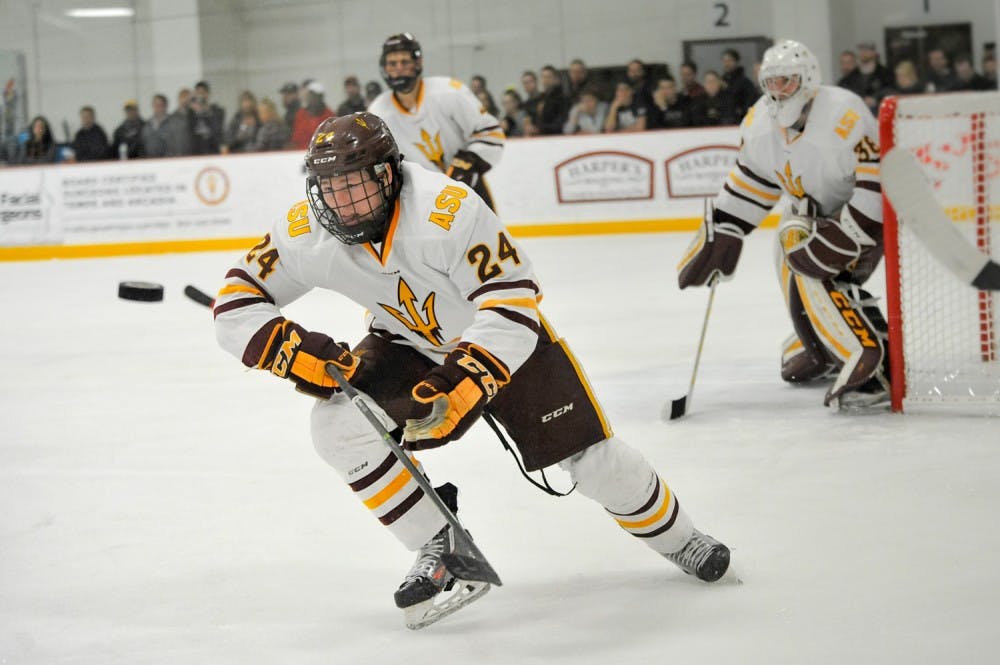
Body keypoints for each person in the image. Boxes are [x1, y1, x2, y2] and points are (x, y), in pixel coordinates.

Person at [212, 111, 731, 629]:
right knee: (337, 425)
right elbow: (236, 301)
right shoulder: (305, 230)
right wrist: (289, 350)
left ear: (387, 174)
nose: (341, 203)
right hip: (404, 342)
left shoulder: (447, 208)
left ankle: (682, 539)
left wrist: (468, 378)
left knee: (594, 460)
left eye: (354, 185)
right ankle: (439, 545)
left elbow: (513, 302)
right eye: (329, 187)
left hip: (499, 340)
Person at [677, 39, 888, 410]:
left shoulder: (845, 113)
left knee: (796, 241)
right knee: (793, 242)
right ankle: (822, 347)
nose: (777, 91)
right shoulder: (759, 122)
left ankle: (869, 360)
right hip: (809, 218)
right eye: (770, 82)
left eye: (786, 81)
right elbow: (749, 184)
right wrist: (724, 232)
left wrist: (849, 234)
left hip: (867, 225)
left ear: (808, 79)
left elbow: (877, 183)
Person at [368, 32, 504, 210]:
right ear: (384, 67)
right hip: (422, 201)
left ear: (418, 63)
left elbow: (491, 134)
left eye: (405, 62)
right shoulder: (379, 111)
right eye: (392, 63)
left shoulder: (449, 92)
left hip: (469, 190)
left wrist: (468, 163)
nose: (398, 68)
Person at [290, 80, 335, 150]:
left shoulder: (330, 116)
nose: (313, 99)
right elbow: (295, 140)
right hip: (299, 153)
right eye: (311, 95)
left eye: (316, 96)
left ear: (321, 97)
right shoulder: (300, 115)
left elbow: (333, 140)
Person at [720, 48, 759, 119]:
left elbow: (750, 104)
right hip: (723, 122)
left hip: (741, 121)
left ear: (736, 62)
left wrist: (742, 114)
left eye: (729, 60)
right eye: (724, 61)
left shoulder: (745, 82)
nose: (727, 63)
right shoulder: (721, 81)